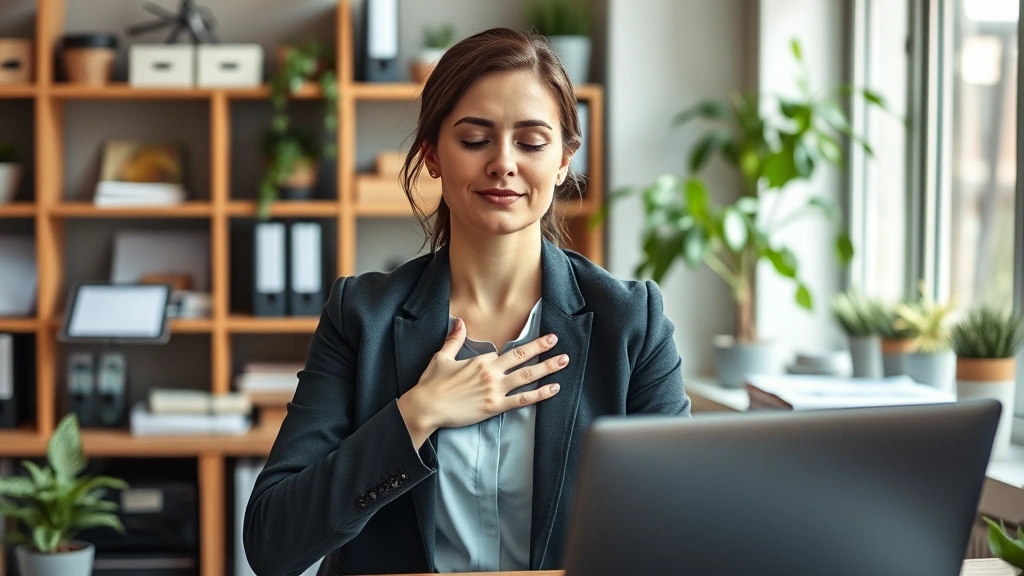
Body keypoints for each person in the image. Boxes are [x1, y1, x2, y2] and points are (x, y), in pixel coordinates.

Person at [243, 26, 690, 576]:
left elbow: (680, 534)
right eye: (475, 139)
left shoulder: (632, 321)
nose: (503, 163)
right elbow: (272, 544)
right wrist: (416, 414)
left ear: (564, 160)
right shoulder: (360, 316)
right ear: (432, 155)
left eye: (531, 142)